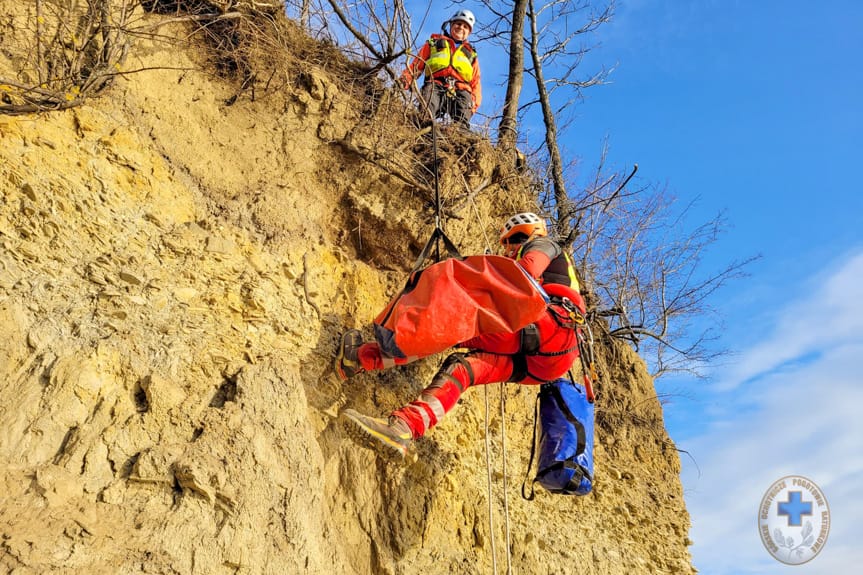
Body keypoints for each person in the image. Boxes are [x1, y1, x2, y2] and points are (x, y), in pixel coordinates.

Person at [336, 212, 584, 458]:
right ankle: (404, 428)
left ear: (534, 232)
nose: (509, 246)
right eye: (506, 242)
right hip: (549, 363)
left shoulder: (545, 243)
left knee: (446, 330)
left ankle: (359, 357)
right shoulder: (557, 269)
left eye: (516, 237)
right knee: (463, 368)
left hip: (548, 326)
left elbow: (528, 270)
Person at [401, 9, 482, 127]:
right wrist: (403, 81)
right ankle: (424, 128)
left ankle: (459, 134)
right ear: (451, 25)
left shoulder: (471, 54)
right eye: (458, 24)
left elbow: (476, 83)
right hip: (435, 84)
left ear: (469, 32)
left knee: (462, 121)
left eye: (465, 26)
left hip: (461, 90)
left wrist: (473, 105)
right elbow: (416, 66)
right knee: (426, 112)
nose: (461, 28)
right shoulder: (434, 43)